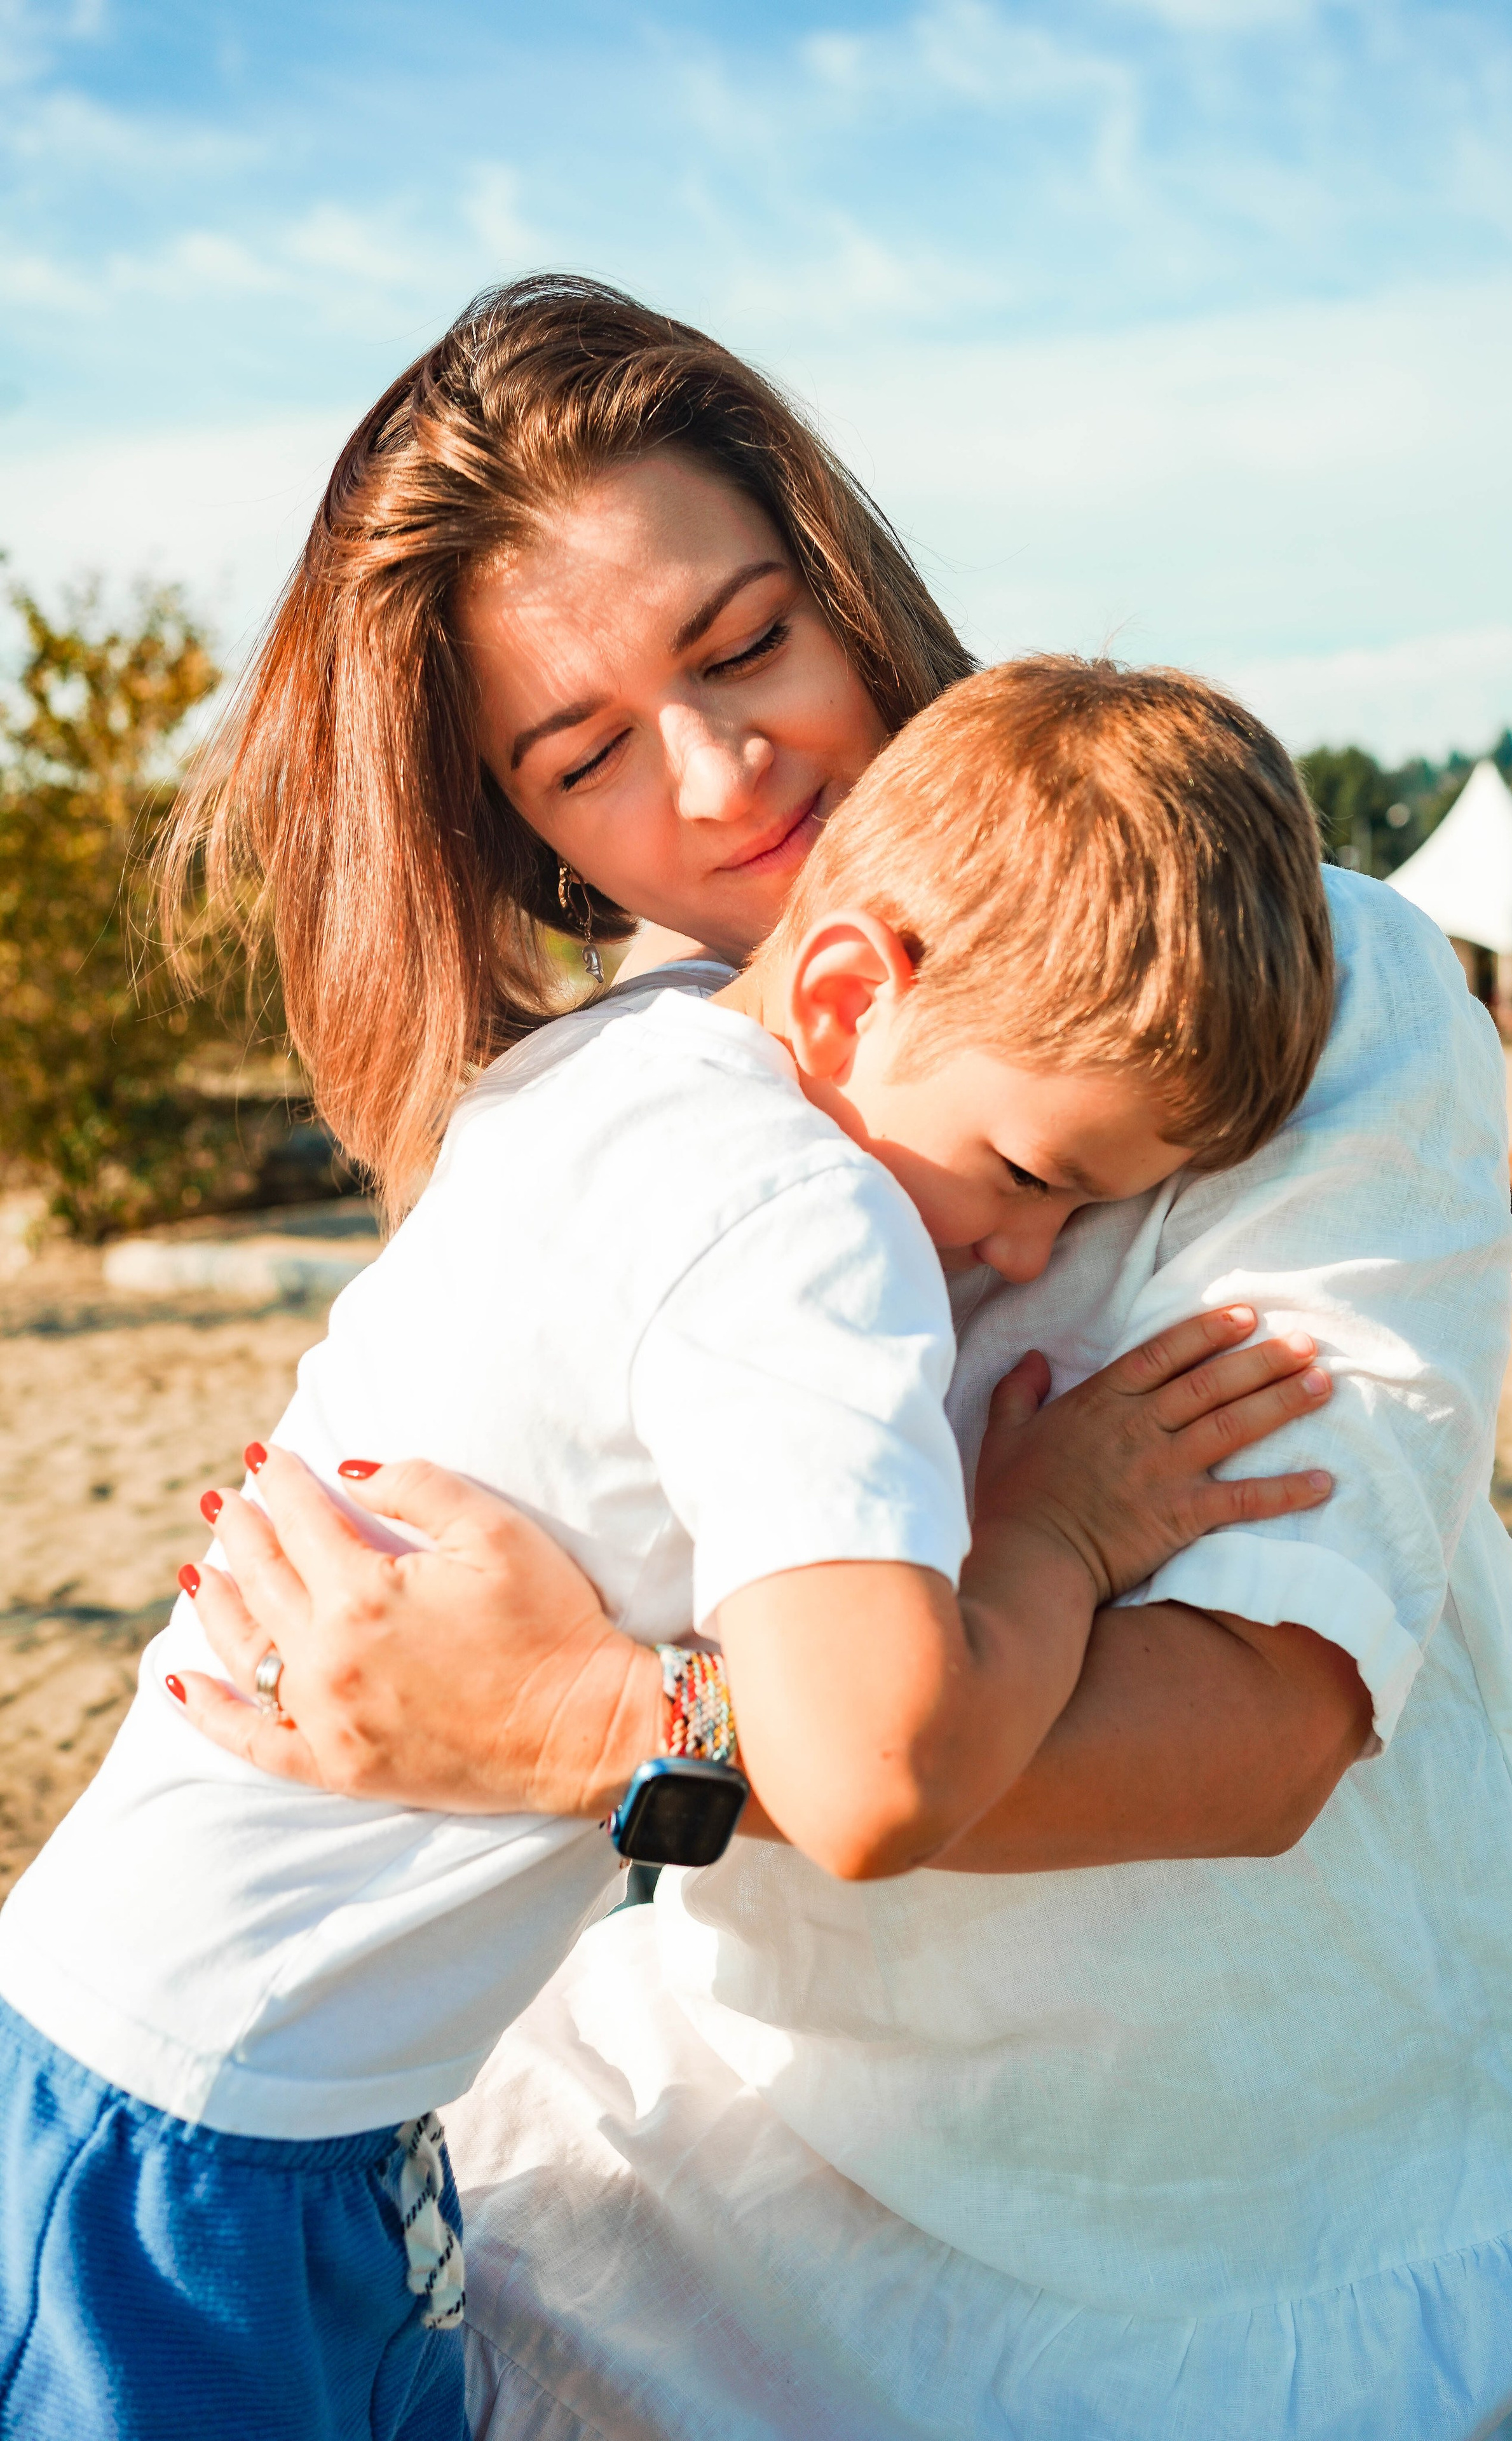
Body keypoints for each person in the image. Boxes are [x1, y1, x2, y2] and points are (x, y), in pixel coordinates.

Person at [174, 278, 1512, 2437]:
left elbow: (1255, 1722)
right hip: (718, 2227)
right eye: (580, 753)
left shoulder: (1287, 974)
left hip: (1269, 2220)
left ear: (848, 587)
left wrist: (589, 1721)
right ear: (523, 836)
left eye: (746, 639)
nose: (719, 765)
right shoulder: (624, 1105)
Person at [0, 657, 1335, 2441]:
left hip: (233, 2077)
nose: (1029, 1257)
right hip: (197, 2152)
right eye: (1032, 1174)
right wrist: (1060, 1535)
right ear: (853, 990)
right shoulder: (812, 1215)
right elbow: (874, 1780)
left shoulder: (611, 1067)